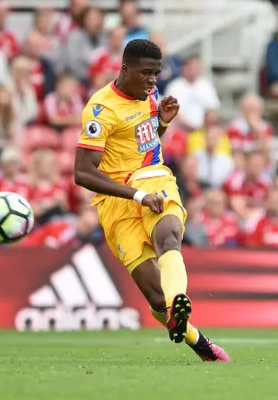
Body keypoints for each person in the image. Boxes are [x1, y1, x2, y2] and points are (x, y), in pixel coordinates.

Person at [74, 39, 230, 362]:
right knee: (155, 296)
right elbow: (83, 173)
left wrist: (162, 124)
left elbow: (141, 146)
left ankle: (178, 302)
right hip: (117, 201)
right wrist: (137, 196)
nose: (152, 81)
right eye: (146, 73)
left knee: (169, 235)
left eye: (156, 74)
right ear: (125, 69)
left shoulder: (150, 95)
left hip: (154, 179)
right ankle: (200, 343)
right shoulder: (100, 110)